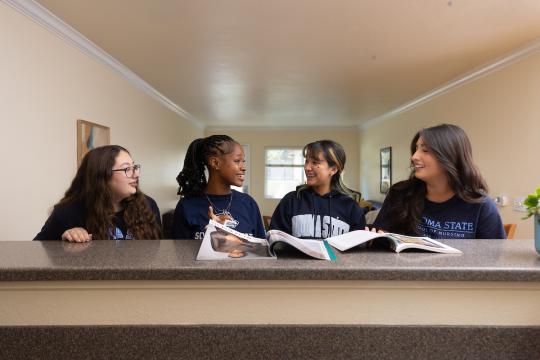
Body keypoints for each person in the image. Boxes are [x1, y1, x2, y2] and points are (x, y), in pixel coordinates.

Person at [373, 124, 505, 239]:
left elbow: (496, 259)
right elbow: (380, 240)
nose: (414, 157)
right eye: (416, 149)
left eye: (425, 150)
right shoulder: (399, 193)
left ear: (449, 156)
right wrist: (373, 239)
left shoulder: (481, 205)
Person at [34, 145, 162, 241]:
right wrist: (65, 239)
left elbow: (158, 252)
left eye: (134, 167)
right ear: (103, 177)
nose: (136, 174)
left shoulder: (148, 205)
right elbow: (39, 252)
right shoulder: (67, 212)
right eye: (127, 168)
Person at [172, 135, 265, 240]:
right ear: (215, 163)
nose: (243, 168)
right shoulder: (187, 206)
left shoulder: (248, 203)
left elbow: (262, 250)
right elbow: (179, 253)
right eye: (237, 160)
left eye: (243, 161)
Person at [269, 140, 365, 239]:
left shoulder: (351, 207)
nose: (307, 167)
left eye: (315, 163)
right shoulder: (291, 201)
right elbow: (275, 241)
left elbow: (358, 251)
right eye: (306, 161)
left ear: (333, 169)